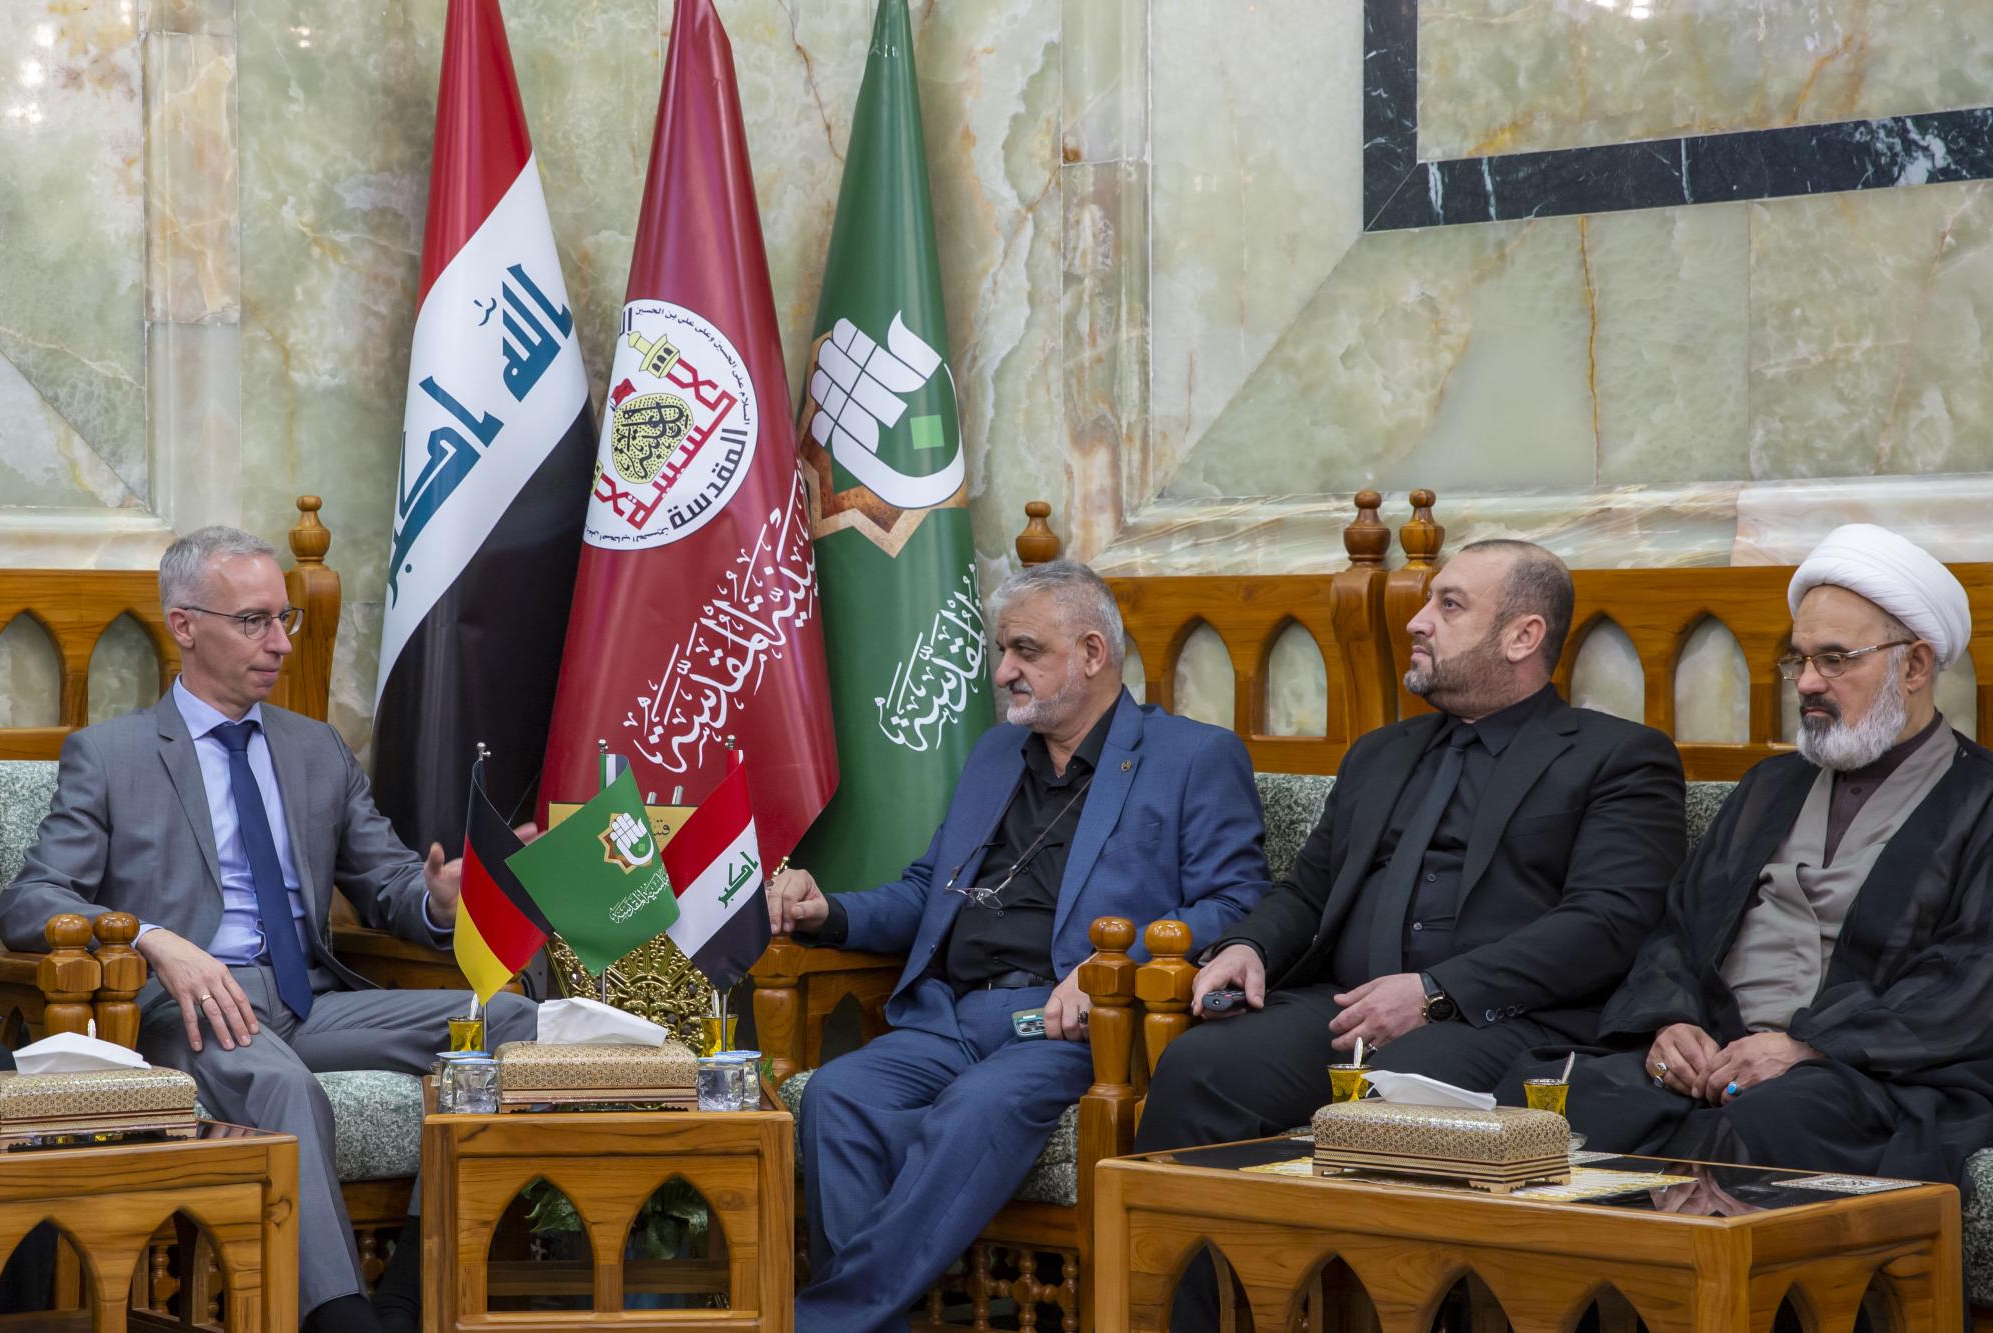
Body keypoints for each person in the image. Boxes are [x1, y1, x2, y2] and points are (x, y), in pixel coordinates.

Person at [1130, 539, 1686, 1330]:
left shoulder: (1619, 758)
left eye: (1448, 605)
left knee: (1401, 1089)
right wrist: (1246, 947)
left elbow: (1608, 921)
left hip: (1502, 1022)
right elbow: (1309, 889)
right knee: (1201, 1068)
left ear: (1523, 636)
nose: (1418, 622)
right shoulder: (1381, 754)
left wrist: (1435, 991)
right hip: (1346, 1007)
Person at [0, 527, 536, 1333]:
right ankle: (342, 1320)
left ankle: (412, 1286)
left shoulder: (316, 748)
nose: (280, 642)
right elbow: (29, 900)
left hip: (307, 1000)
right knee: (284, 1086)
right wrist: (148, 936)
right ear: (185, 625)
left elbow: (387, 882)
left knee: (510, 1020)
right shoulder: (110, 755)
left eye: (285, 618)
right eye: (254, 621)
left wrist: (440, 900)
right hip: (190, 1011)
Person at [764, 559, 1269, 1333]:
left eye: (1025, 650)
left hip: (1072, 1026)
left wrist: (1113, 968)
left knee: (977, 1106)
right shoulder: (997, 753)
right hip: (952, 1015)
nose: (1003, 672)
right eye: (1003, 650)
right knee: (839, 1095)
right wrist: (826, 910)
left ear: (1092, 653)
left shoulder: (1193, 756)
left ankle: (818, 1321)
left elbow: (1236, 903)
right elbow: (927, 890)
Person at [1521, 524, 1993, 1192]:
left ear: (1915, 667)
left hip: (1865, 1072)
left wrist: (1809, 1048)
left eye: (1835, 659)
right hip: (1716, 1054)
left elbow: (1970, 982)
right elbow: (1678, 929)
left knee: (1768, 1124)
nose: (1808, 683)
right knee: (1548, 1098)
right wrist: (1672, 1023)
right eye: (1799, 660)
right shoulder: (1771, 786)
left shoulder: (1980, 799)